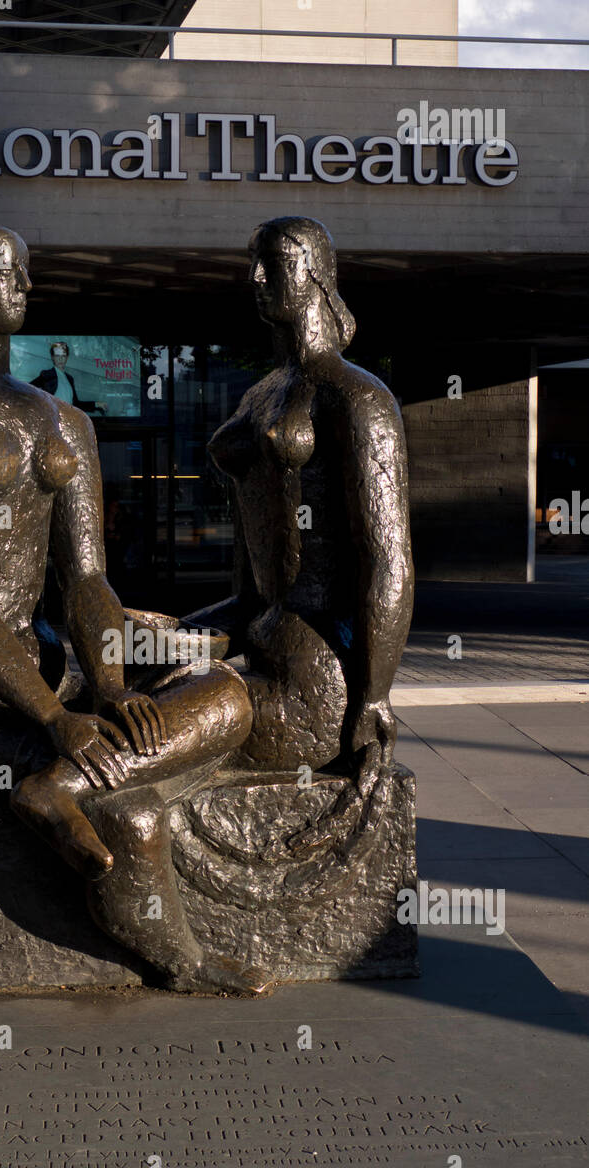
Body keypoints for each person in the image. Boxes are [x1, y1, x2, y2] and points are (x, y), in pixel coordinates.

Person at [0, 224, 267, 994]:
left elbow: (87, 580)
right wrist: (55, 721)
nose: (23, 283)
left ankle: (60, 786)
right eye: (4, 270)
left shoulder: (66, 424)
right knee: (135, 817)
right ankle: (177, 957)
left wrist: (115, 688)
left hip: (58, 667)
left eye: (26, 270)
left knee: (230, 695)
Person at [187, 215, 414, 829]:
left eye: (274, 263)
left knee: (139, 729)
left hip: (314, 683)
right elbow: (250, 587)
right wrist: (170, 636)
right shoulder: (260, 394)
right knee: (118, 675)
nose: (256, 277)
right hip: (258, 637)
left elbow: (388, 562)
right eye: (252, 264)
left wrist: (373, 697)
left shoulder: (357, 397)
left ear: (313, 274)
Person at [30, 341, 107, 414]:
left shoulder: (69, 378)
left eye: (63, 356)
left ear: (67, 357)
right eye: (57, 356)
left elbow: (76, 404)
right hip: (54, 419)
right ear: (52, 357)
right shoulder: (47, 374)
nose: (60, 359)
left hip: (68, 419)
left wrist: (96, 404)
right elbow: (28, 389)